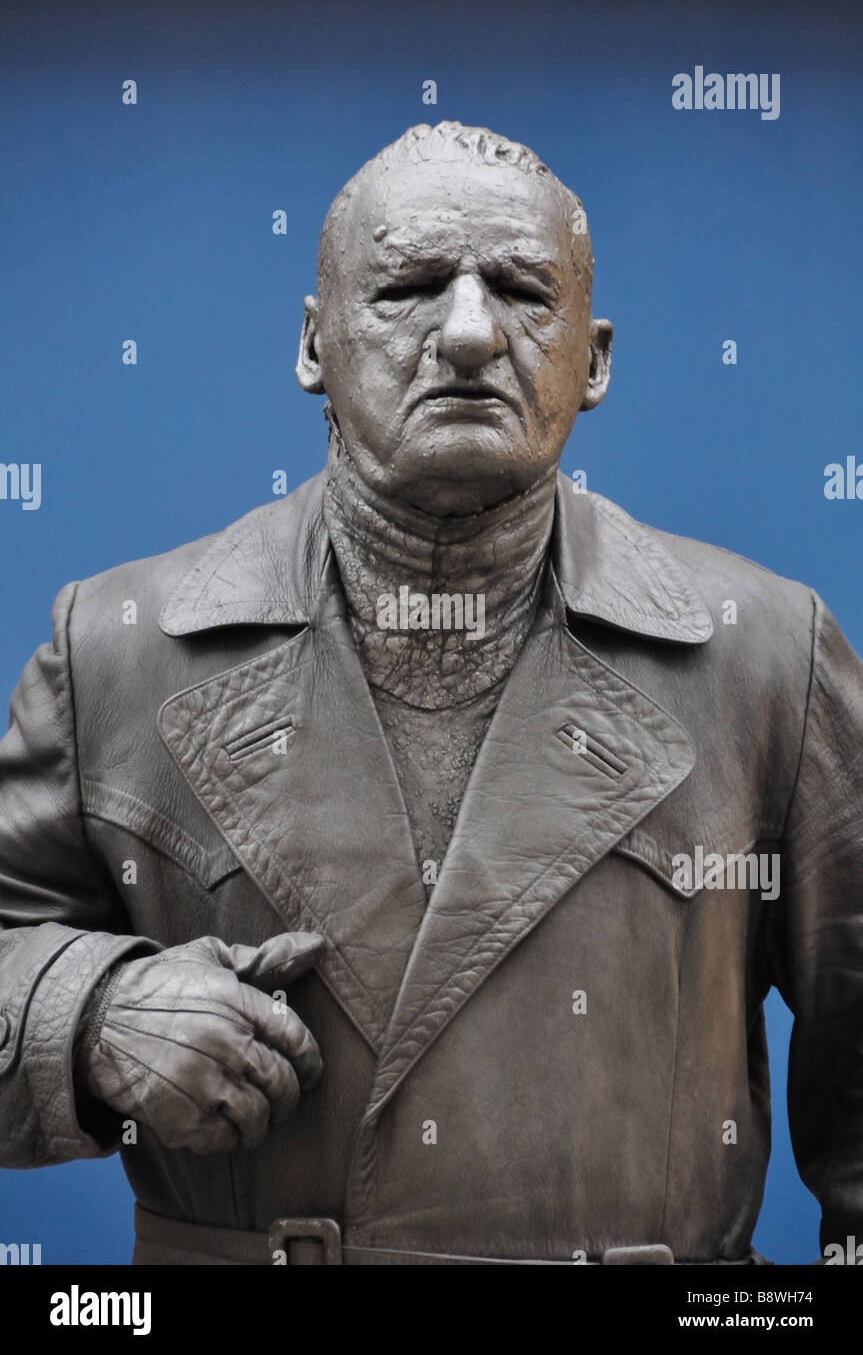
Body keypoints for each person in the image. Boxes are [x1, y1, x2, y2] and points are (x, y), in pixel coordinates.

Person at [1, 121, 861, 1266]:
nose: (465, 334)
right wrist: (88, 1016)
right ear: (313, 344)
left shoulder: (763, 658)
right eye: (406, 287)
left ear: (591, 360)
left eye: (518, 290)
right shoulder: (118, 650)